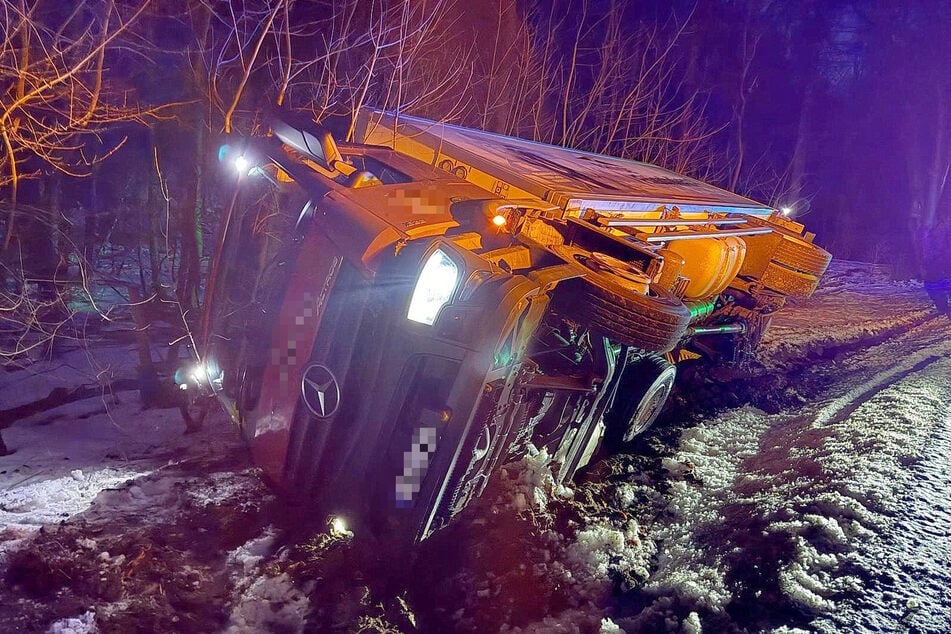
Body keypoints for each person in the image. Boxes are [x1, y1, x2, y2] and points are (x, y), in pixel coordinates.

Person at [921, 216, 951, 319]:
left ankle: (944, 308)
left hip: (938, 271)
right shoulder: (931, 235)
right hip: (938, 272)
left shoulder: (934, 234)